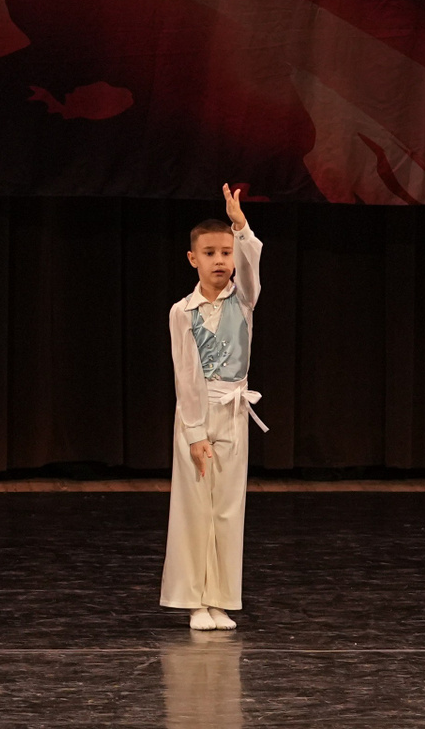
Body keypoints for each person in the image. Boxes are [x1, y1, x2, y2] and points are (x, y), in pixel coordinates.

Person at [161, 184, 269, 630]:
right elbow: (186, 376)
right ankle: (193, 601)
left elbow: (252, 265)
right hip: (199, 409)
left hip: (234, 409)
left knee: (227, 506)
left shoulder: (243, 300)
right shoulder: (182, 311)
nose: (220, 260)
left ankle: (220, 599)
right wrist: (195, 433)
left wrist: (240, 227)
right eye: (210, 253)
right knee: (195, 506)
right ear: (193, 259)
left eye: (226, 252)